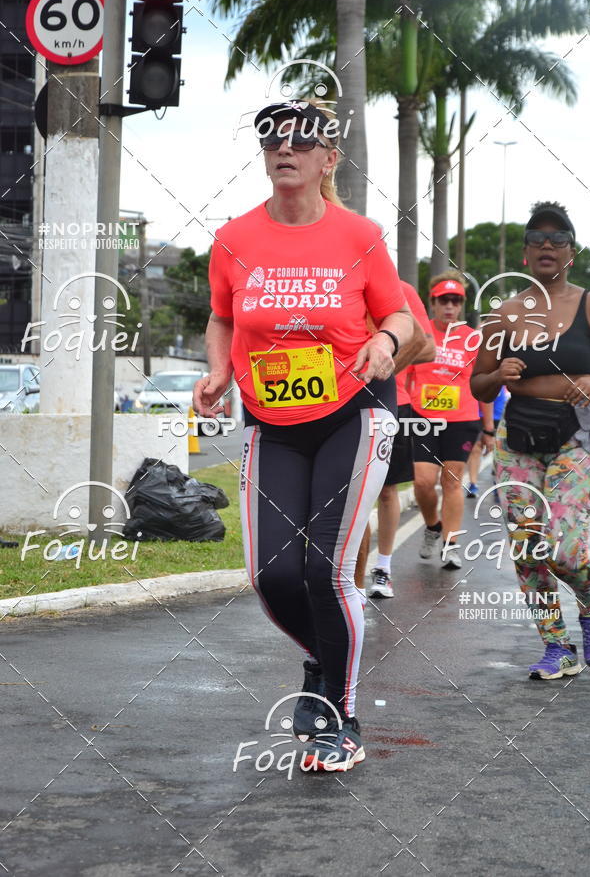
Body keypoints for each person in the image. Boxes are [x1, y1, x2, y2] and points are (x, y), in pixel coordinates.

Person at [193, 100, 414, 770]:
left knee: (324, 569)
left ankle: (339, 719)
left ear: (328, 160)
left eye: (301, 139)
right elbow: (222, 318)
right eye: (273, 140)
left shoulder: (360, 236)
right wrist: (217, 370)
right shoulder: (233, 239)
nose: (284, 147)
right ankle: (323, 651)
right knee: (270, 575)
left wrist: (383, 339)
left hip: (354, 414)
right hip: (271, 424)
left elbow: (402, 316)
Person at [471, 201, 590, 679]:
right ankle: (555, 645)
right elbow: (476, 385)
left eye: (558, 238)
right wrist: (497, 374)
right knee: (528, 547)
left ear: (571, 251)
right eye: (538, 239)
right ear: (525, 254)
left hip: (578, 438)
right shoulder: (503, 315)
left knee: (563, 548)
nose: (548, 245)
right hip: (518, 441)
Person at [406, 271, 494, 570]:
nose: (450, 306)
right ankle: (433, 525)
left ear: (462, 305)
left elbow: (482, 385)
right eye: (444, 300)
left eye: (456, 301)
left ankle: (451, 543)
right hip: (424, 418)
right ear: (432, 303)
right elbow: (406, 379)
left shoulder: (472, 339)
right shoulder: (421, 334)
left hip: (462, 419)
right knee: (422, 482)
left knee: (453, 482)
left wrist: (489, 427)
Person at [356, 285, 435, 600]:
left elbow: (427, 347)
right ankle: (347, 578)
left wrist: (382, 369)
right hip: (336, 402)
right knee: (350, 492)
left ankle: (383, 569)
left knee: (386, 490)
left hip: (391, 402)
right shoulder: (331, 281)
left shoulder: (399, 290)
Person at [466, 386, 508, 497]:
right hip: (477, 416)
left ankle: (497, 481)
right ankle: (473, 483)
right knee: (475, 448)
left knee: (498, 450)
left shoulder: (502, 378)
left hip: (498, 417)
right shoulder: (479, 376)